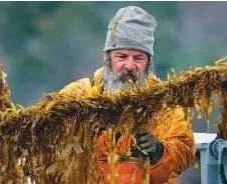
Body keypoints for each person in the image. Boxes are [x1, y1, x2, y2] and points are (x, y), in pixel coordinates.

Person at [59, 6, 195, 184]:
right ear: (107, 57)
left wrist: (158, 151)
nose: (130, 66)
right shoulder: (77, 95)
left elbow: (184, 150)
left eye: (138, 58)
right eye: (121, 56)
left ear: (148, 62)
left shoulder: (164, 101)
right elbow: (49, 148)